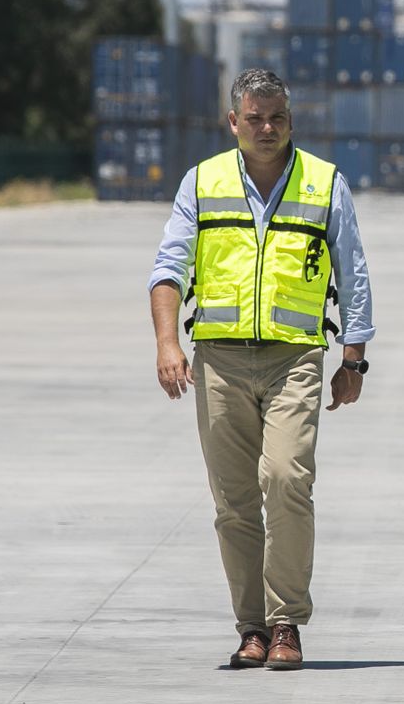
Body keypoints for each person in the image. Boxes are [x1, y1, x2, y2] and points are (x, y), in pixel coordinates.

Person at [150, 67, 374, 671]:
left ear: (291, 121)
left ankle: (286, 623)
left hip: (294, 358)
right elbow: (168, 267)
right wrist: (168, 345)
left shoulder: (325, 184)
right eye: (255, 118)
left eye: (277, 118)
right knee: (234, 502)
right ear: (234, 122)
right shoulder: (202, 182)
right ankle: (251, 627)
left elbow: (353, 274)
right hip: (219, 361)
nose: (267, 128)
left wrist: (354, 360)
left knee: (286, 479)